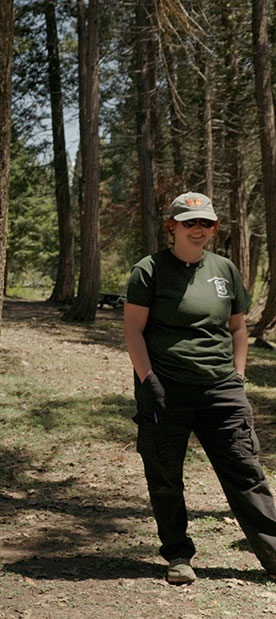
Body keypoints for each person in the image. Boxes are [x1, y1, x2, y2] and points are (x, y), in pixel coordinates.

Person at [124, 191, 276, 585]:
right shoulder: (149, 270)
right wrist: (149, 380)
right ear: (171, 226)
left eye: (206, 223)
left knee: (247, 472)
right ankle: (177, 555)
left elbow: (238, 328)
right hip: (166, 387)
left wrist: (239, 378)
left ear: (215, 227)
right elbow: (133, 331)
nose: (199, 229)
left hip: (221, 389)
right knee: (164, 474)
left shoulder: (224, 270)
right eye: (190, 222)